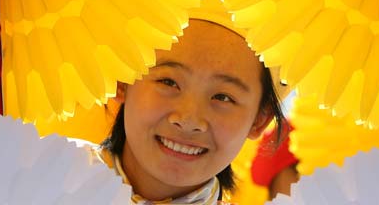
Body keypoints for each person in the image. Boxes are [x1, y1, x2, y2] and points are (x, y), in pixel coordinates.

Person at [98, 17, 285, 204]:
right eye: (169, 82)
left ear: (259, 120)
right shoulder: (68, 170)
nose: (188, 120)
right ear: (122, 80)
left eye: (223, 97)